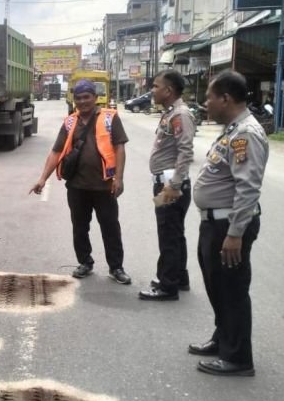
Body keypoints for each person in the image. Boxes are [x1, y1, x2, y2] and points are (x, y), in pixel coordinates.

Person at [188, 70, 269, 377]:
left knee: (232, 290)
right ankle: (223, 339)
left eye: (209, 97)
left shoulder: (245, 133)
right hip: (215, 224)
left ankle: (237, 358)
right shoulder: (233, 130)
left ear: (225, 98)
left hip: (228, 227)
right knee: (217, 287)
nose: (205, 103)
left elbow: (248, 187)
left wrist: (235, 234)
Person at [29, 79, 131, 285]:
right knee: (80, 227)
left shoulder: (110, 118)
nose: (83, 102)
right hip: (77, 187)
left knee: (110, 227)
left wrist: (118, 178)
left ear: (94, 98)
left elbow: (120, 148)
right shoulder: (69, 122)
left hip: (104, 185)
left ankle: (116, 267)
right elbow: (56, 151)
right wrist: (42, 178)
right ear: (74, 100)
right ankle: (85, 262)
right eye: (78, 98)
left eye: (87, 97)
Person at [139, 70, 196, 301]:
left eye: (155, 86)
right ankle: (178, 276)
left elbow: (186, 151)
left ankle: (167, 285)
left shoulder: (180, 115)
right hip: (168, 182)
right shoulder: (171, 113)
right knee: (175, 232)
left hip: (170, 185)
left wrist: (174, 185)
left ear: (168, 90)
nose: (152, 90)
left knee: (168, 235)